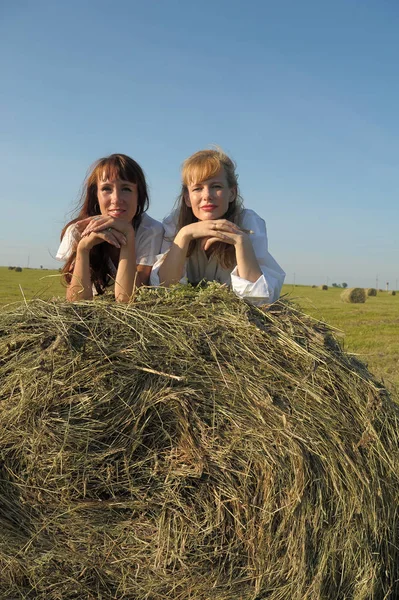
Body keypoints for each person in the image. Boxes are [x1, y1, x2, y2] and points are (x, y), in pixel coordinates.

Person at [150, 149, 285, 305]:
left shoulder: (249, 222)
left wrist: (242, 243)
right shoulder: (175, 223)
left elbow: (259, 301)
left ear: (232, 193)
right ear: (187, 198)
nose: (207, 195)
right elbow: (164, 289)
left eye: (216, 186)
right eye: (197, 188)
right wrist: (184, 234)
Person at [57, 153, 163, 302]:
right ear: (96, 195)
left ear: (139, 195)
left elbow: (126, 299)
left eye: (126, 189)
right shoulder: (78, 230)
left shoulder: (151, 230)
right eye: (107, 189)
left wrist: (128, 233)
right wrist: (83, 249)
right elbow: (76, 303)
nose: (116, 199)